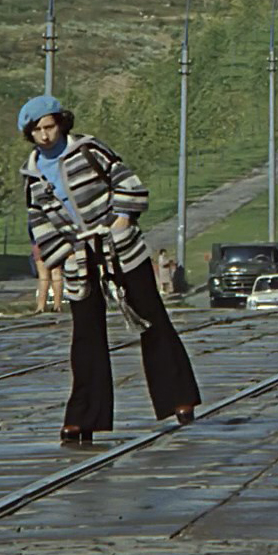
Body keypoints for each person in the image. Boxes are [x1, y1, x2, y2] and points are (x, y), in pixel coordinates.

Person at [19, 94, 200, 445]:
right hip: (79, 256)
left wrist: (121, 223)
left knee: (150, 317)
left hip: (120, 247)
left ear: (61, 123)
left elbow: (128, 185)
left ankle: (179, 398)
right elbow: (38, 222)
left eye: (49, 126)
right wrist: (65, 255)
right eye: (37, 130)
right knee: (86, 336)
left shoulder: (89, 150)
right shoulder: (33, 174)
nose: (45, 135)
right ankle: (83, 417)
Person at [33, 240, 65, 313]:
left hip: (39, 242)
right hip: (57, 242)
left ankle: (41, 306)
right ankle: (57, 306)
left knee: (43, 276)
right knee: (56, 274)